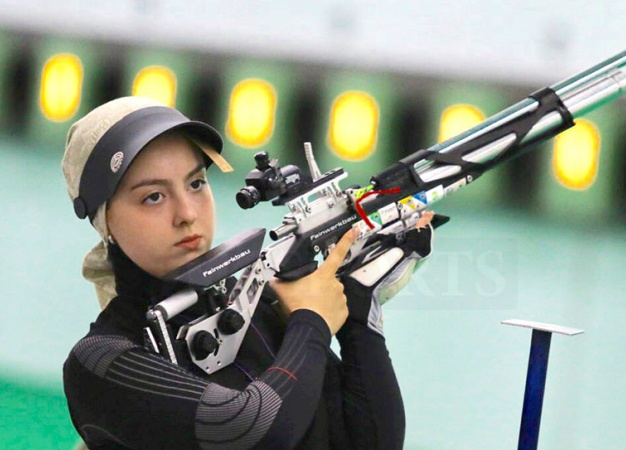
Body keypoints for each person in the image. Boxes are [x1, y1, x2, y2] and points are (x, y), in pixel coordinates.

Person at [61, 96, 435, 449]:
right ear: (105, 220)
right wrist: (313, 320)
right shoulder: (100, 360)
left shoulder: (256, 306)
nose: (187, 213)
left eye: (196, 183)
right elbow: (249, 432)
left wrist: (357, 311)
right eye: (153, 197)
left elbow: (367, 442)